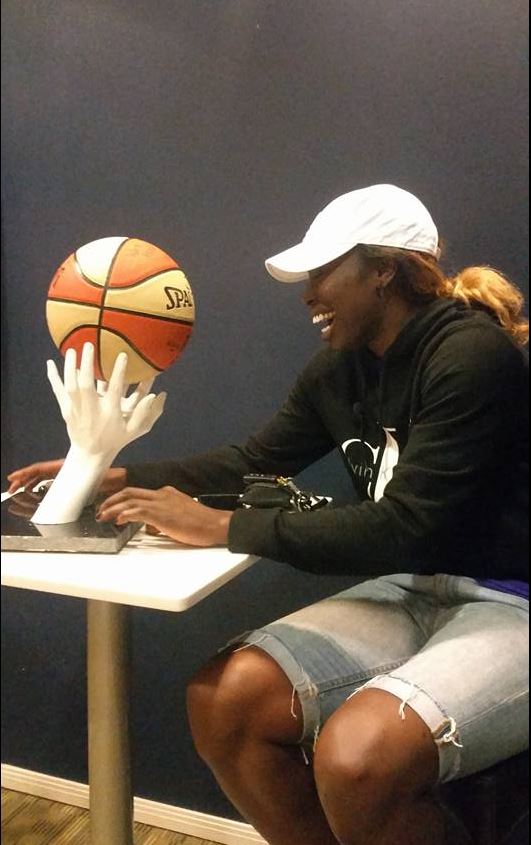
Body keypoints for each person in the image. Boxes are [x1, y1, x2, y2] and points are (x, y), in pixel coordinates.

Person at [7, 184, 529, 845]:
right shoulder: (340, 369)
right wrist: (111, 471)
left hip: (509, 600)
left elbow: (404, 526)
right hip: (414, 589)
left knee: (357, 756)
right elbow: (252, 460)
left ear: (383, 269)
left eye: (322, 272)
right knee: (223, 702)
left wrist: (224, 526)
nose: (309, 292)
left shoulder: (467, 353)